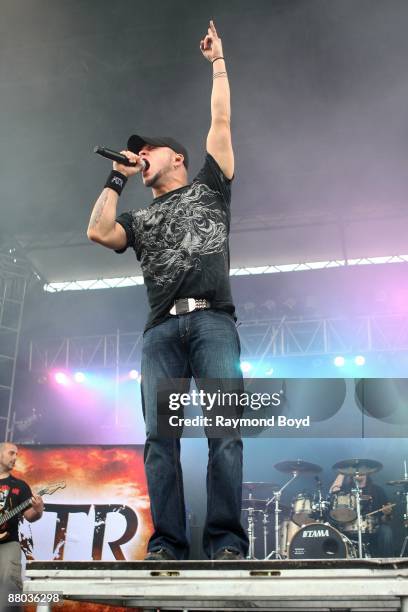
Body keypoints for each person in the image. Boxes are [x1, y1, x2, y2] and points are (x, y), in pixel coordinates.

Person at [87, 20, 248, 561]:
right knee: (161, 441)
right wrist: (117, 178)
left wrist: (217, 63)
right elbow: (97, 232)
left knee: (224, 433)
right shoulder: (138, 216)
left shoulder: (210, 184)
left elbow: (221, 120)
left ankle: (226, 542)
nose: (142, 155)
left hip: (212, 321)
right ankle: (169, 545)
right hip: (160, 331)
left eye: (148, 150)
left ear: (175, 157)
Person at [0, 442, 44, 597]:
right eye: (11, 453)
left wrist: (38, 510)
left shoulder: (20, 486)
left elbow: (29, 516)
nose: (15, 458)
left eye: (17, 454)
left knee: (9, 589)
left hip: (8, 543)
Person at [330, 472, 394, 557]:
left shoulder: (378, 490)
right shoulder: (345, 490)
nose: (358, 472)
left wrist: (387, 514)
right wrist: (343, 471)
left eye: (361, 470)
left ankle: (387, 566)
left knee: (386, 531)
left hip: (373, 529)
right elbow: (333, 491)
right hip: (347, 527)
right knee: (333, 531)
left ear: (367, 472)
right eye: (355, 471)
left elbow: (386, 519)